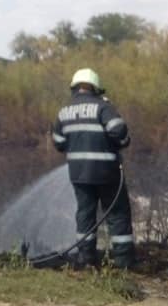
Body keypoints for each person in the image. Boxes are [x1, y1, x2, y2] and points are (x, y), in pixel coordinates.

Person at [52, 68, 134, 269]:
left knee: (85, 215)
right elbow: (119, 130)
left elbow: (58, 142)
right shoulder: (103, 107)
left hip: (79, 174)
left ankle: (86, 259)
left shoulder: (64, 112)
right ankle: (123, 262)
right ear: (96, 88)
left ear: (75, 88)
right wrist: (122, 140)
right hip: (107, 173)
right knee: (117, 214)